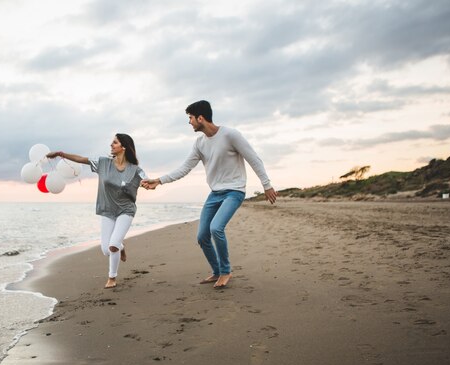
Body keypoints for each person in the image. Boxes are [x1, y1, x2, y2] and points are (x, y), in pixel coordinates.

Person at [141, 100, 277, 289]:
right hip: (215, 194)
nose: (189, 122)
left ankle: (226, 271)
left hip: (234, 191)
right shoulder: (199, 143)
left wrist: (267, 185)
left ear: (201, 118)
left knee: (216, 229)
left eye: (190, 118)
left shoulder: (231, 135)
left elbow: (253, 158)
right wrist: (159, 180)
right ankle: (216, 271)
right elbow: (185, 168)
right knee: (202, 236)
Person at [47, 134, 147, 289]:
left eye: (115, 142)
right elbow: (82, 159)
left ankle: (112, 278)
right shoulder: (103, 163)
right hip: (107, 210)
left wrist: (150, 184)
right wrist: (61, 154)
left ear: (124, 147)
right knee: (107, 250)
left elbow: (147, 180)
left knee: (112, 245)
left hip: (125, 210)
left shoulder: (135, 170)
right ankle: (121, 246)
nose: (111, 145)